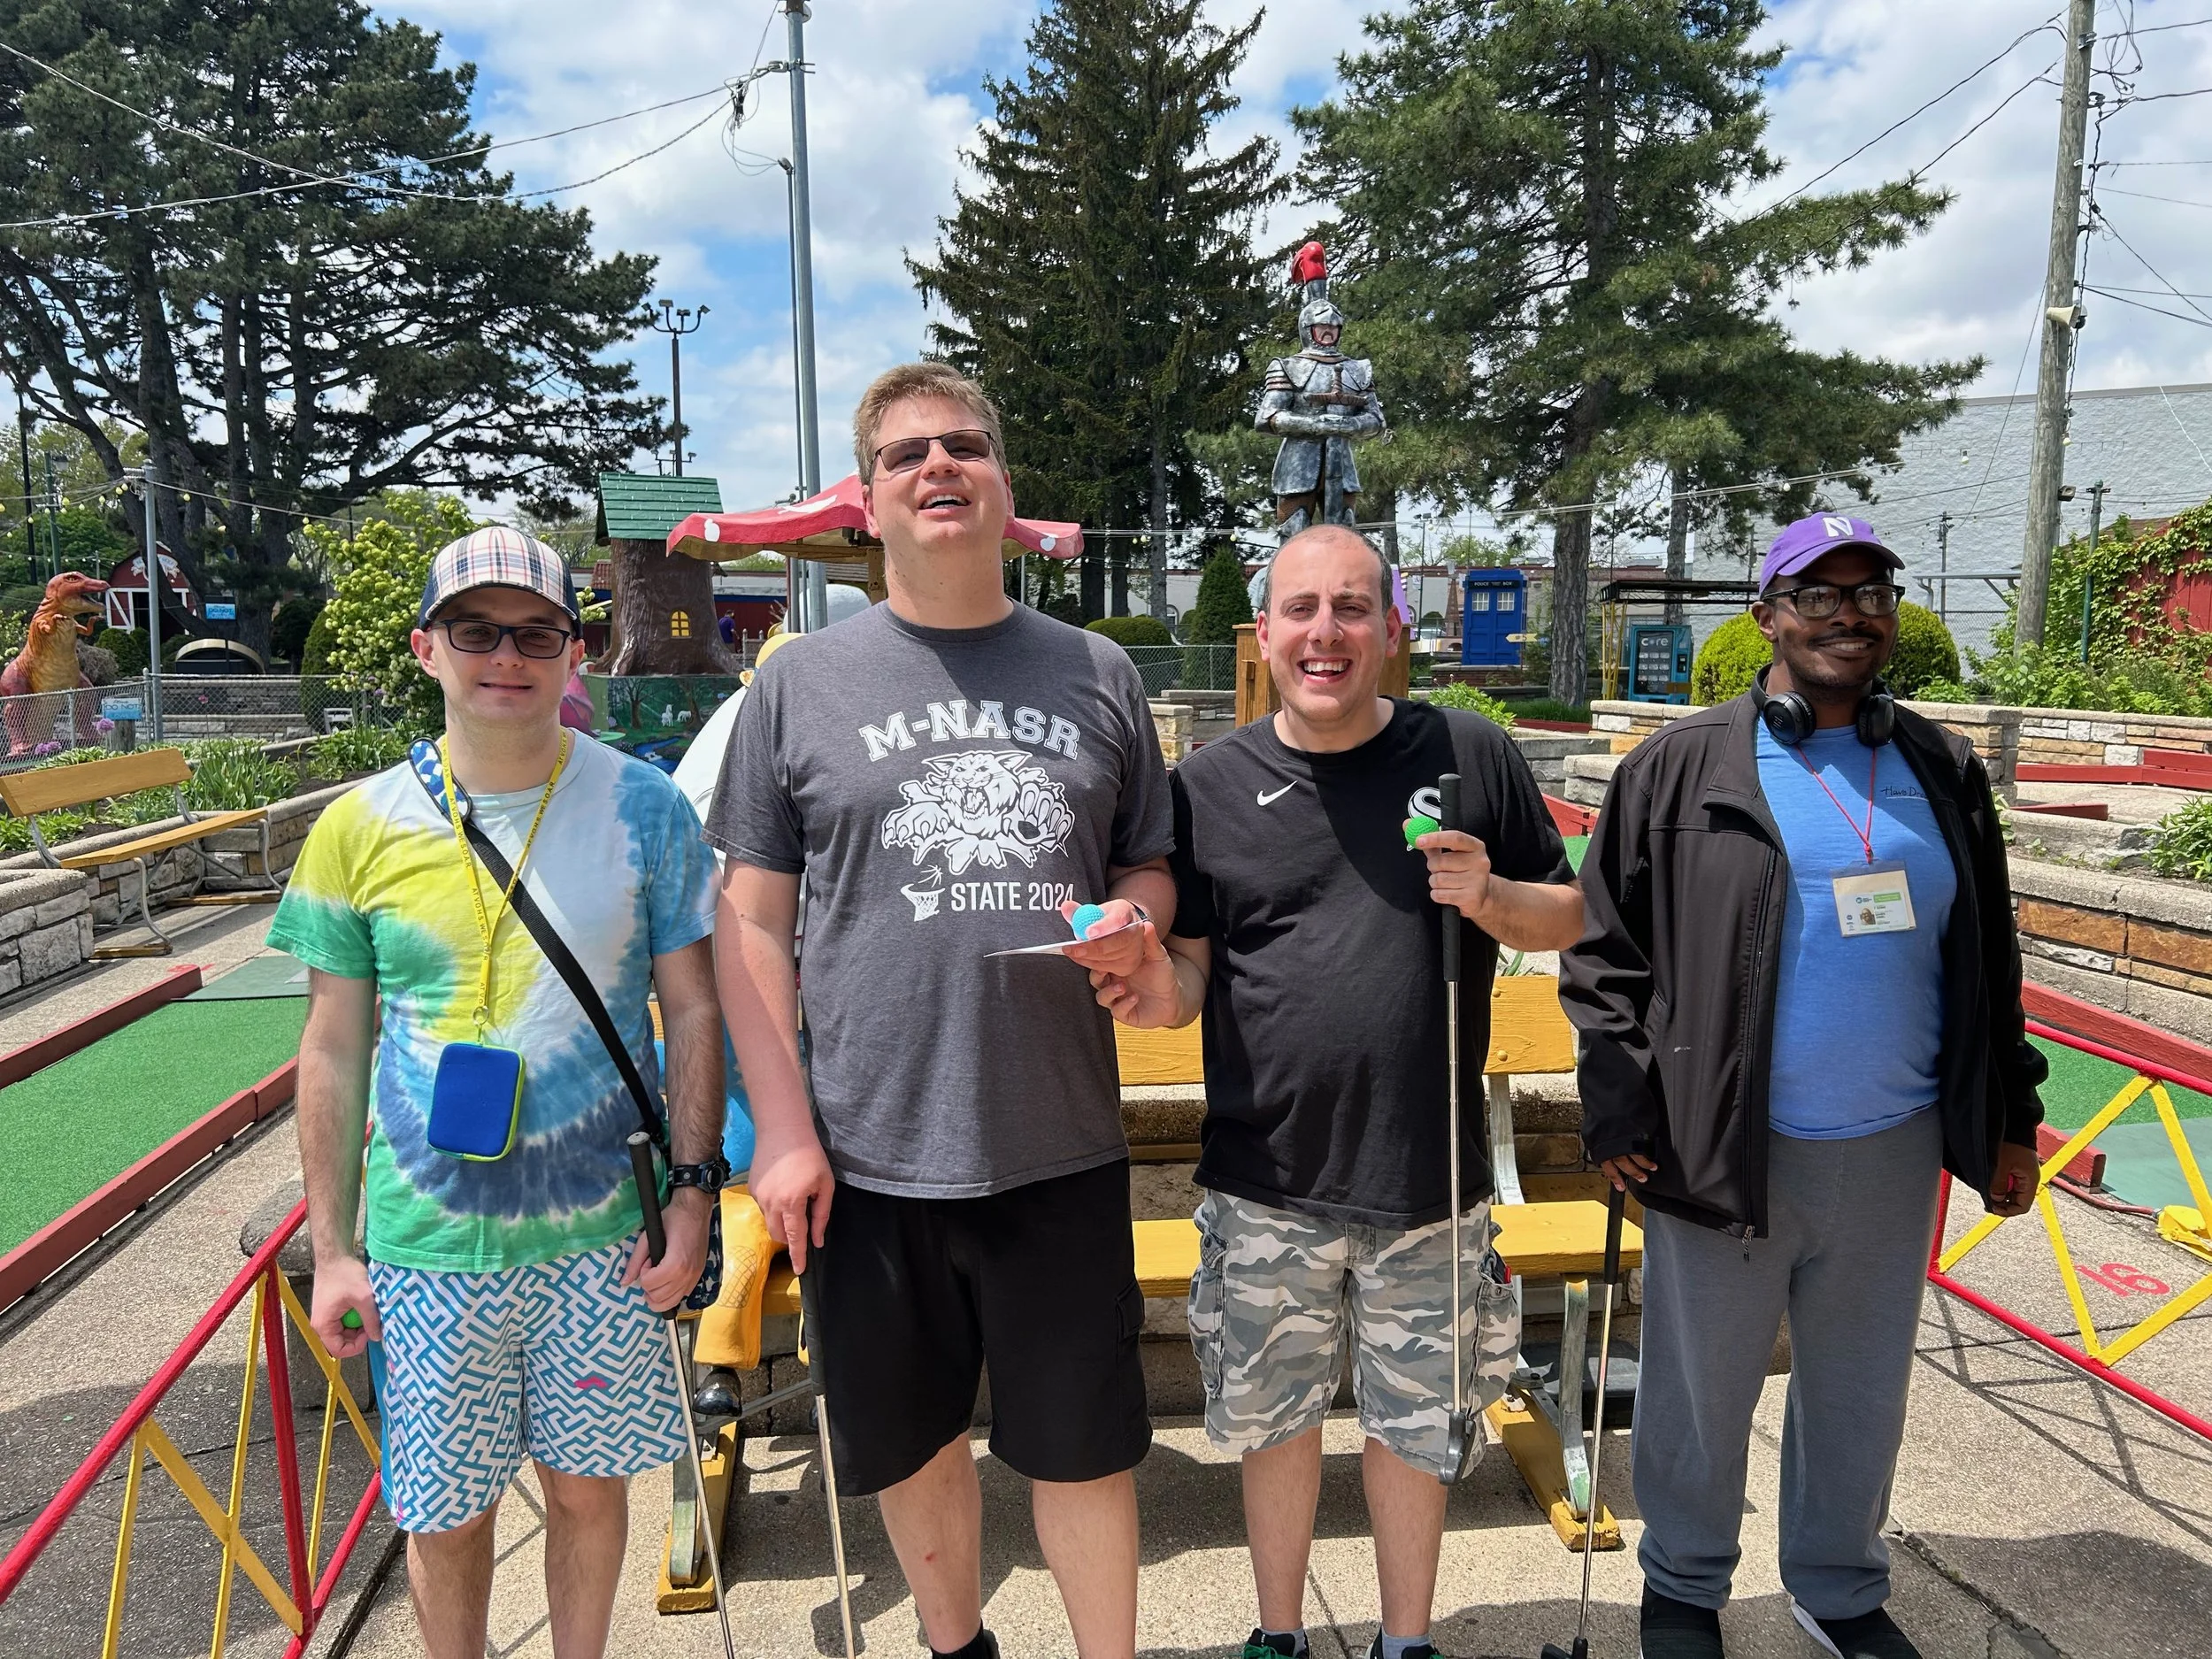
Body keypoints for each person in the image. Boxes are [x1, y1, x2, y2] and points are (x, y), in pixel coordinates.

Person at [710, 361, 1176, 1659]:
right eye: (907, 453)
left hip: (1057, 1136)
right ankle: (954, 1645)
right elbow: (749, 920)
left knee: (1083, 1448)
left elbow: (1150, 855)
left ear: (1004, 482)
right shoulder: (798, 685)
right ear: (870, 499)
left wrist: (1136, 913)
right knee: (912, 1440)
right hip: (869, 1148)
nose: (938, 466)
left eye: (964, 445)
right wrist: (782, 1130)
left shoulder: (1099, 671)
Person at [1091, 524, 1583, 1659]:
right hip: (1266, 1183)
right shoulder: (1205, 787)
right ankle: (1280, 1634)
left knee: (1416, 1432)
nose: (1326, 633)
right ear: (1262, 633)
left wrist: (1491, 894)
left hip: (1432, 1181)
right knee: (1274, 1424)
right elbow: (1191, 982)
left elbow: (1571, 917)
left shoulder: (1468, 752)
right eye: (1301, 610)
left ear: (1390, 629)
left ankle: (1404, 1642)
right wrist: (1140, 986)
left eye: (1352, 608)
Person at [1560, 513, 2047, 1659]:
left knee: (1859, 1389)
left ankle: (1837, 1586)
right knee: (1698, 1393)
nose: (1847, 615)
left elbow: (1990, 964)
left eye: (1869, 591)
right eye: (1816, 594)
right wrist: (1620, 1100)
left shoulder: (1941, 766)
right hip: (1726, 1142)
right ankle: (1683, 1586)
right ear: (1767, 616)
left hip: (1892, 1145)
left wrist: (2009, 1118)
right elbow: (1602, 949)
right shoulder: (1681, 767)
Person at [276, 526, 726, 1659]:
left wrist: (691, 1197)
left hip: (600, 1238)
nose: (507, 657)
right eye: (477, 631)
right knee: (445, 1518)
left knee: (586, 1493)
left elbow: (697, 1012)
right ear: (429, 649)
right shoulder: (358, 826)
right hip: (428, 1248)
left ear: (577, 651)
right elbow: (330, 1050)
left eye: (537, 632)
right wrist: (335, 1249)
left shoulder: (647, 809)